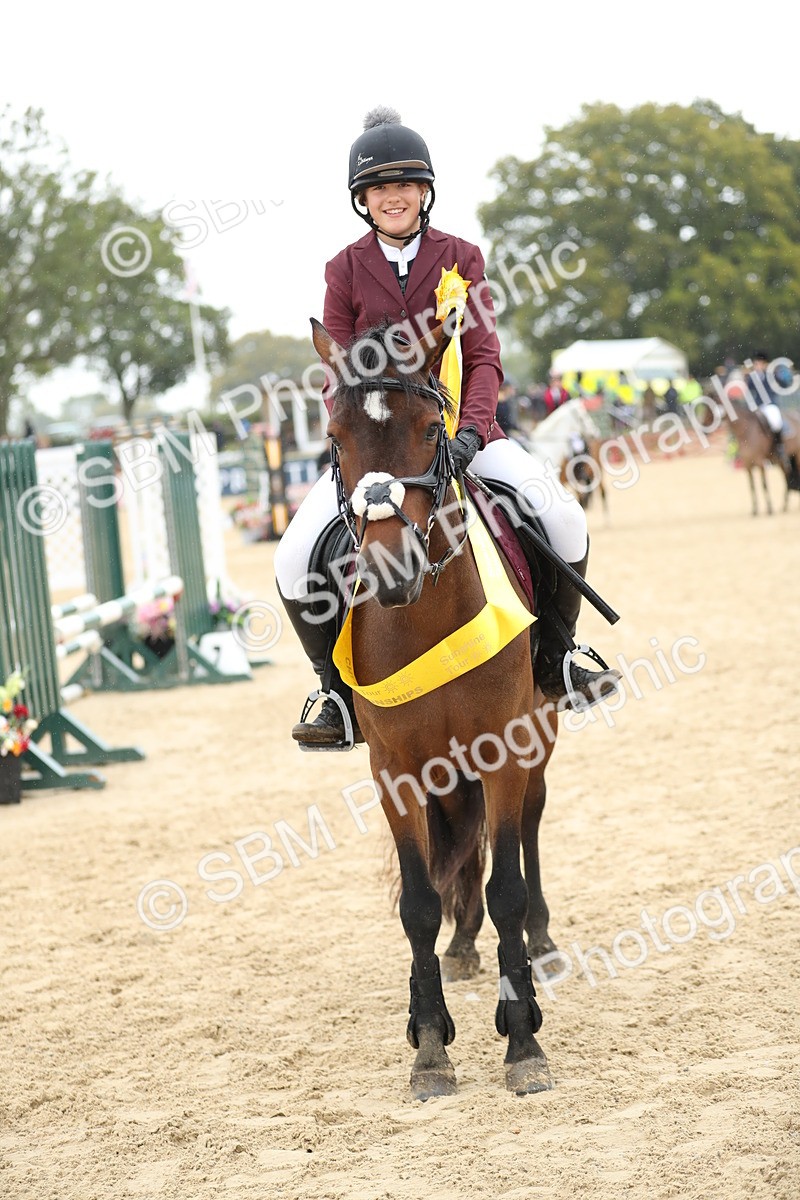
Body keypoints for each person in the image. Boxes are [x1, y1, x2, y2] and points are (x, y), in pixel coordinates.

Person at [274, 107, 620, 747]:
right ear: (363, 200)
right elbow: (338, 371)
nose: (394, 196)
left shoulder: (462, 256)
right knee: (295, 555)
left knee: (564, 516)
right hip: (378, 448)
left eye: (405, 185)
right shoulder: (343, 270)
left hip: (463, 436)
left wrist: (470, 433)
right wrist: (355, 444)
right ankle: (334, 694)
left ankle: (558, 655)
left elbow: (484, 355)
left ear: (424, 192)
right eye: (380, 188)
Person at [747, 350, 788, 466]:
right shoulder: (752, 377)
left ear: (764, 364)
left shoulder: (771, 375)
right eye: (755, 363)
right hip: (758, 406)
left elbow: (783, 383)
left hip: (770, 405)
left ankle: (779, 447)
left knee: (776, 422)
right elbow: (748, 388)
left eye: (759, 363)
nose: (757, 366)